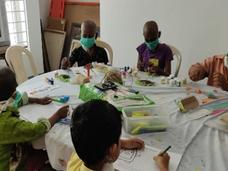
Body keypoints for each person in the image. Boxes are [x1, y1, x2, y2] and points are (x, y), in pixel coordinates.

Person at [67, 99, 170, 171]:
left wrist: (122, 143)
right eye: (119, 139)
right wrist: (164, 167)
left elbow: (92, 139)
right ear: (112, 150)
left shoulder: (77, 158)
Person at [0, 67, 69, 171]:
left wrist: (37, 100)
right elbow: (35, 130)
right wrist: (57, 115)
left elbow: (18, 100)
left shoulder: (4, 105)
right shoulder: (7, 123)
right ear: (14, 91)